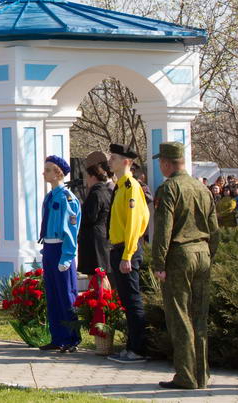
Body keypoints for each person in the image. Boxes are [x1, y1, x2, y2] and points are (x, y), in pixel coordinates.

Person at [152, 142, 220, 390]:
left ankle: (186, 376)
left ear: (168, 163)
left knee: (179, 317)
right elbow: (214, 229)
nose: (160, 166)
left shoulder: (169, 189)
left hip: (179, 256)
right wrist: (209, 253)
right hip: (202, 253)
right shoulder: (201, 188)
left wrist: (159, 262)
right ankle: (201, 375)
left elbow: (163, 230)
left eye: (161, 162)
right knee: (199, 316)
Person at [106, 143, 150, 364]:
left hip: (127, 249)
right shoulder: (120, 186)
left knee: (132, 300)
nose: (109, 161)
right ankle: (132, 345)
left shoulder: (131, 186)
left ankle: (138, 349)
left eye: (113, 158)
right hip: (120, 248)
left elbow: (134, 223)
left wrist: (128, 255)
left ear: (126, 162)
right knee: (126, 299)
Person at [39, 155, 81, 353]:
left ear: (58, 172)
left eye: (48, 170)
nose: (44, 173)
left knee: (66, 293)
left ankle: (71, 337)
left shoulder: (67, 198)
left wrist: (67, 256)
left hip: (61, 248)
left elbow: (71, 229)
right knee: (53, 294)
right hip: (49, 247)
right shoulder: (51, 196)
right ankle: (58, 336)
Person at [78, 150, 113, 276]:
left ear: (92, 176)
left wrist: (77, 216)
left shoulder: (96, 193)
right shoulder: (106, 191)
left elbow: (90, 217)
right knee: (101, 275)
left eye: (87, 176)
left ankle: (101, 296)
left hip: (94, 241)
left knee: (98, 276)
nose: (86, 180)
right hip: (101, 237)